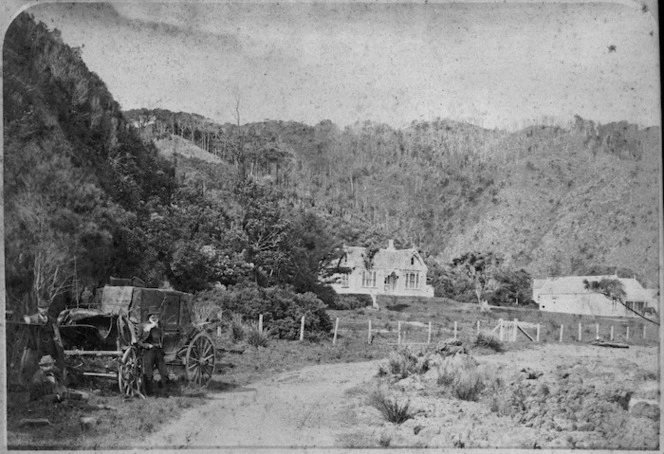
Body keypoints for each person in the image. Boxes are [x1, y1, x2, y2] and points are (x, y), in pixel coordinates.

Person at [139, 306, 171, 396]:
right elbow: (138, 341)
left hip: (159, 351)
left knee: (164, 372)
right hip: (148, 351)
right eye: (152, 315)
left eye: (156, 315)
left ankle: (165, 392)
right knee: (149, 373)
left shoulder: (160, 325)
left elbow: (164, 338)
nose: (154, 316)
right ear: (149, 316)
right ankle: (150, 393)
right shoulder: (143, 326)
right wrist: (146, 345)